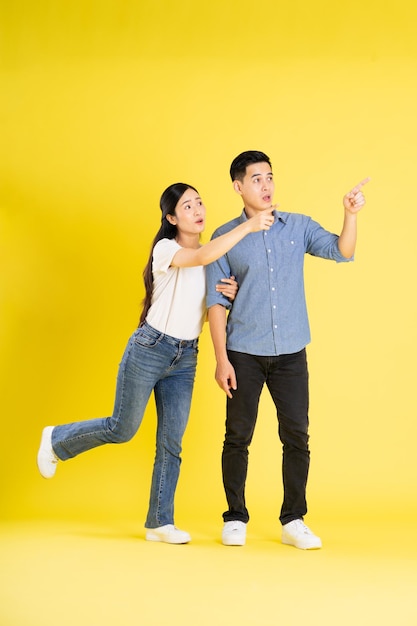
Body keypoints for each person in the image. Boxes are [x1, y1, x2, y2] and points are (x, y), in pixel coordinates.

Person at [37, 182, 274, 544]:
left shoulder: (214, 256)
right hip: (150, 348)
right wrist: (248, 225)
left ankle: (160, 522)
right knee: (122, 428)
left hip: (186, 357)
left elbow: (216, 304)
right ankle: (57, 440)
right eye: (187, 206)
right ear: (171, 217)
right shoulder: (167, 249)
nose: (197, 210)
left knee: (171, 443)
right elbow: (199, 257)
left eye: (199, 202)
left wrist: (234, 293)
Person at [206, 151, 369, 549]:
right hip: (243, 351)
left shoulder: (297, 226)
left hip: (291, 353)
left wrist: (350, 214)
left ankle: (293, 518)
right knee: (237, 436)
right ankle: (235, 517)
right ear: (238, 187)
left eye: (270, 178)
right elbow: (215, 302)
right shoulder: (226, 237)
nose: (265, 186)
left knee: (297, 435)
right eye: (256, 179)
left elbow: (342, 251)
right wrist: (221, 358)